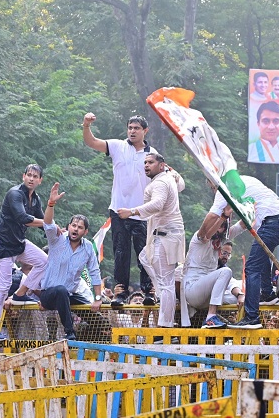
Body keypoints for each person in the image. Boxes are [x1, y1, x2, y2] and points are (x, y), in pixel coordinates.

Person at [199, 176, 279, 329]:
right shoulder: (243, 183)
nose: (213, 190)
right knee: (261, 256)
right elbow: (242, 225)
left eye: (211, 187)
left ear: (213, 180)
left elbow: (212, 215)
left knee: (251, 268)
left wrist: (202, 235)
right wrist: (219, 236)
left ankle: (251, 317)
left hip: (273, 222)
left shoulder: (223, 187)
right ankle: (267, 294)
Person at [84, 113, 155, 307]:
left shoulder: (152, 155)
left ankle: (148, 291)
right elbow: (92, 142)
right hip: (118, 209)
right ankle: (121, 293)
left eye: (137, 128)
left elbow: (164, 176)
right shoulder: (117, 146)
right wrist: (86, 125)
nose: (132, 131)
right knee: (121, 252)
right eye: (130, 127)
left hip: (141, 212)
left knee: (144, 253)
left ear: (145, 131)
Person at [118, 153, 185, 329]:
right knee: (145, 258)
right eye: (145, 162)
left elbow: (157, 205)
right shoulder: (169, 177)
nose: (146, 165)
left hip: (166, 235)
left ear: (161, 165)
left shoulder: (161, 182)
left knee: (166, 282)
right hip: (164, 234)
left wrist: (131, 211)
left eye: (151, 162)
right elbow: (182, 185)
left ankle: (165, 325)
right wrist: (171, 170)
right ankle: (162, 295)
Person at [0, 164, 50, 340]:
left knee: (44, 261)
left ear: (40, 180)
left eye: (35, 176)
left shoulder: (35, 199)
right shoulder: (14, 194)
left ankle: (21, 294)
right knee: (3, 285)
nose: (31, 178)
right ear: (23, 176)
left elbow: (44, 221)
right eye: (29, 175)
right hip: (4, 244)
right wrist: (47, 224)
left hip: (19, 243)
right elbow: (23, 218)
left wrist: (57, 233)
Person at [38, 182, 103, 340]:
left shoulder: (88, 248)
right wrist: (51, 203)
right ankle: (69, 333)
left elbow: (94, 272)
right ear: (68, 226)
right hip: (49, 294)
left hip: (69, 295)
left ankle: (95, 338)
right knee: (60, 290)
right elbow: (47, 223)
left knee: (95, 316)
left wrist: (98, 298)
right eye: (73, 225)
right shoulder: (57, 239)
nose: (76, 229)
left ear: (85, 232)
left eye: (80, 227)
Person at [181, 216, 234, 329]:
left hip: (207, 296)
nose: (219, 230)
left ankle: (238, 323)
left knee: (238, 298)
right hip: (193, 291)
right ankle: (211, 317)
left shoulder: (220, 243)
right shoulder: (199, 238)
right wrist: (222, 217)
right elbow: (205, 233)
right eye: (218, 226)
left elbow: (242, 226)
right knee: (225, 271)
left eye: (223, 228)